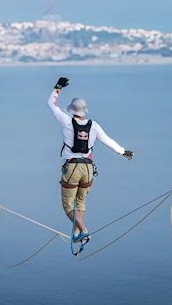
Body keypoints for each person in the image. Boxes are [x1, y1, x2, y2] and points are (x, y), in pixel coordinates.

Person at [47, 77, 134, 252]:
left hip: (72, 167)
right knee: (80, 203)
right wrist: (123, 152)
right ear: (85, 111)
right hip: (88, 168)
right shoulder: (93, 125)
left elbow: (51, 104)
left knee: (67, 206)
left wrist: (58, 88)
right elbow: (108, 141)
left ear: (72, 110)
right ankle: (78, 232)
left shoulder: (66, 121)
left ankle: (84, 231)